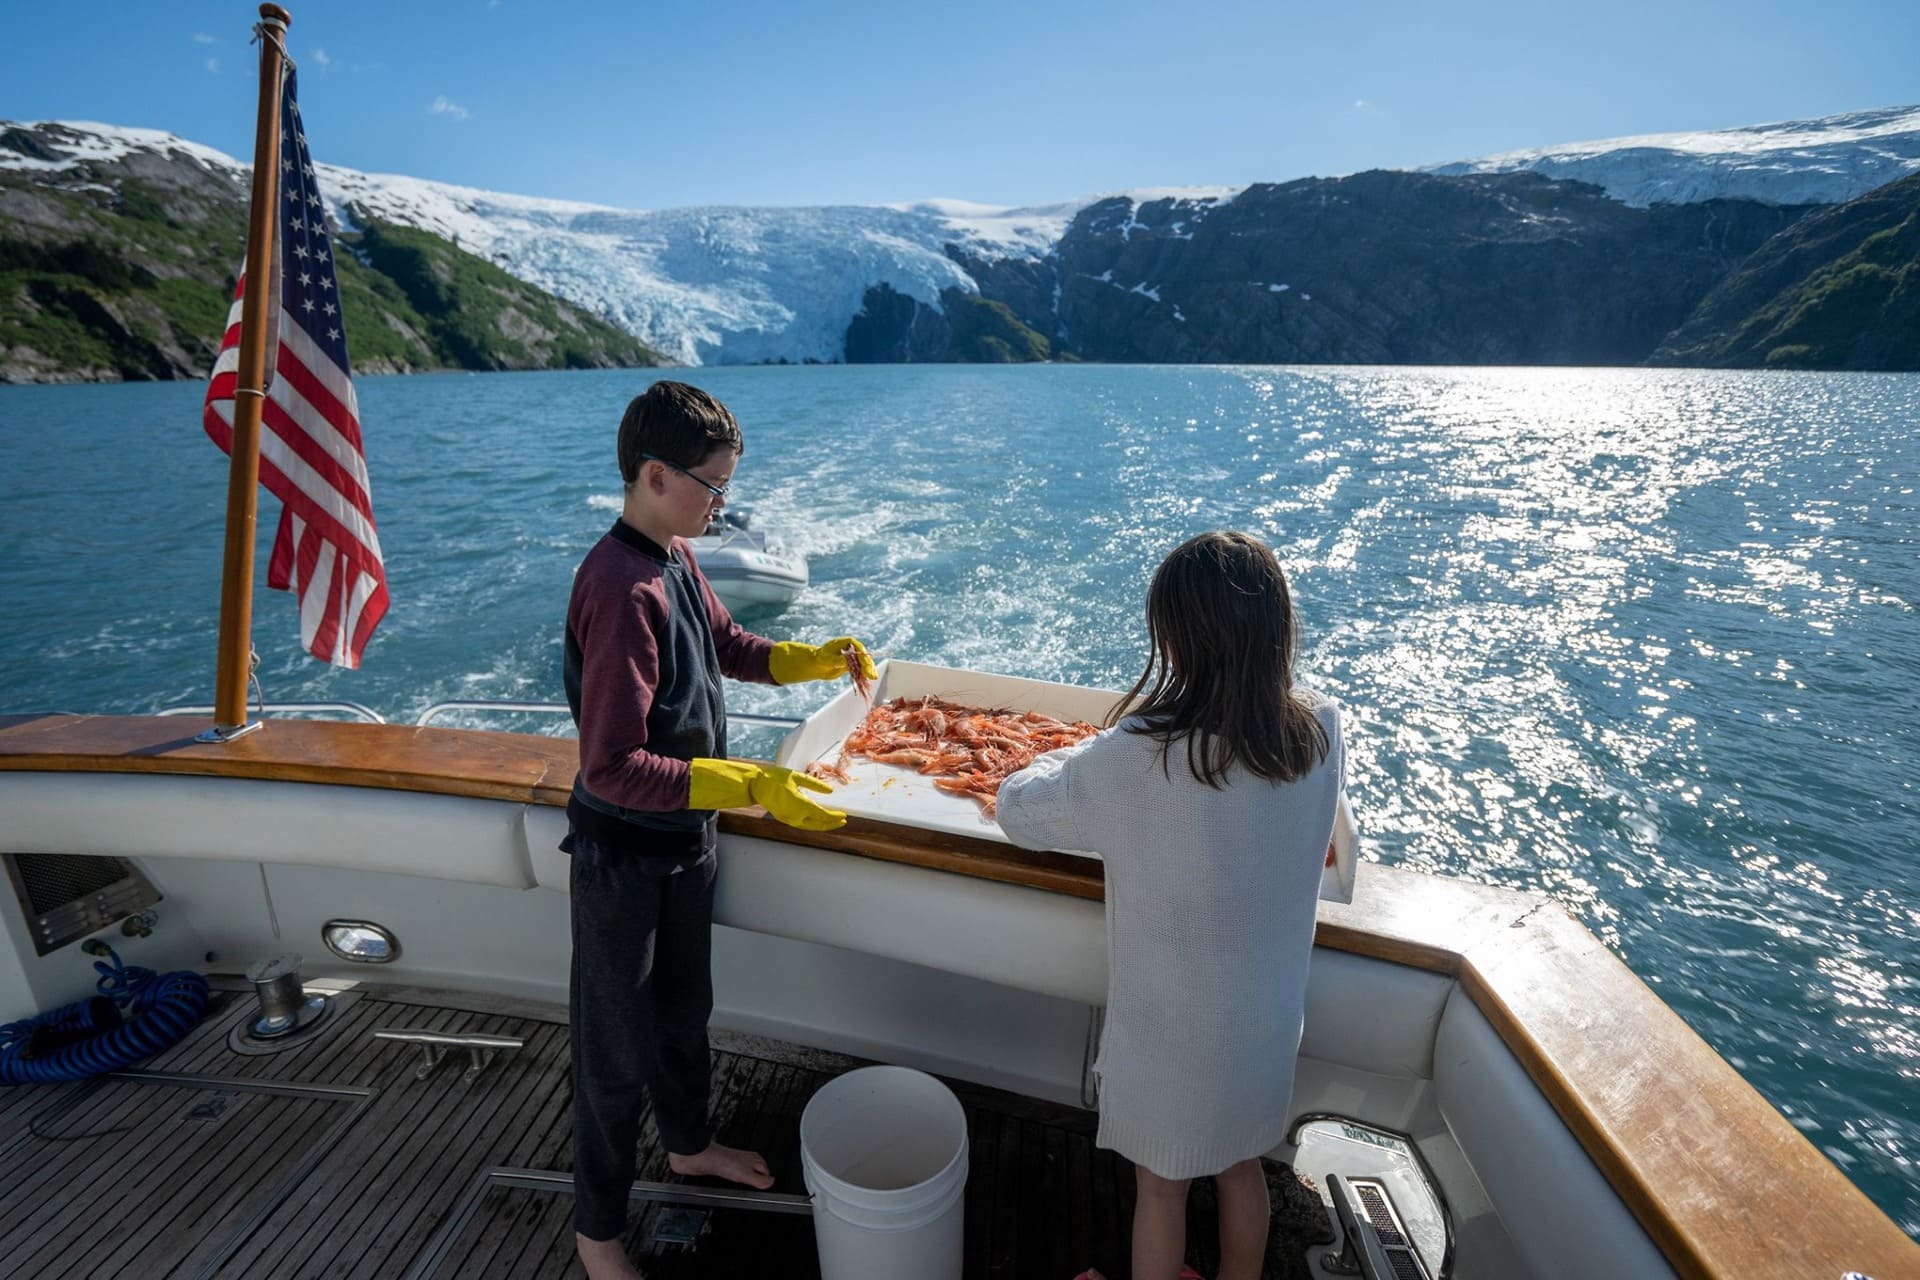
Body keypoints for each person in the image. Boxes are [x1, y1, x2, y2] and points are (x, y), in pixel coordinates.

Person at [563, 379, 877, 1280]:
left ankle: (690, 1144)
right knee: (613, 1053)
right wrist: (749, 783)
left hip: (685, 844)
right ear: (656, 475)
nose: (722, 504)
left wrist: (804, 659)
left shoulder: (676, 555)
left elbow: (727, 645)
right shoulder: (621, 587)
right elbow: (609, 765)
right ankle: (596, 1235)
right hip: (622, 857)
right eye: (713, 486)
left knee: (682, 1018)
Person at [996, 531, 1345, 1280]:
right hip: (1268, 1022)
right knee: (1244, 1165)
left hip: (1176, 1037)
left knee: (1161, 1185)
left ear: (1178, 639)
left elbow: (1018, 811)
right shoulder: (1319, 726)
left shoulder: (1142, 753)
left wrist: (1069, 752)